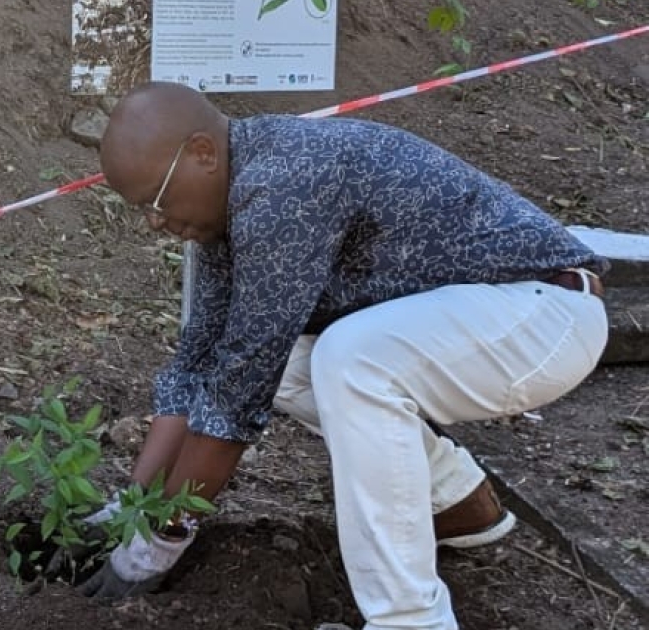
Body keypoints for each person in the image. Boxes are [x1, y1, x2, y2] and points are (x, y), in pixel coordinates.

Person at [76, 81, 609, 630]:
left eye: (158, 200)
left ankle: (410, 620)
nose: (156, 222)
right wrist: (134, 503)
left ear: (202, 153)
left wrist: (160, 542)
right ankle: (459, 502)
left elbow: (234, 405)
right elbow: (202, 363)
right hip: (488, 317)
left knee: (350, 362)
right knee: (292, 365)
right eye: (142, 210)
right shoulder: (230, 208)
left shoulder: (283, 186)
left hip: (544, 315)